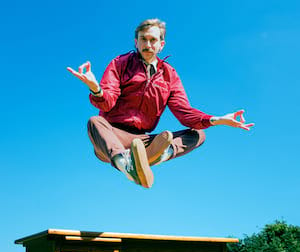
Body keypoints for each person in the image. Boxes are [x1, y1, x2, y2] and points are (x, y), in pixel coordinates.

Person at [67, 18, 254, 189]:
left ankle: (156, 155)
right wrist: (95, 88)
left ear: (161, 44)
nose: (148, 45)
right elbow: (106, 103)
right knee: (95, 121)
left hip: (141, 141)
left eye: (153, 40)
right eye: (143, 39)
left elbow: (184, 112)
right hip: (112, 137)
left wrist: (217, 119)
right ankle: (126, 164)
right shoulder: (120, 64)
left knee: (198, 134)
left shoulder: (169, 75)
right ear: (136, 42)